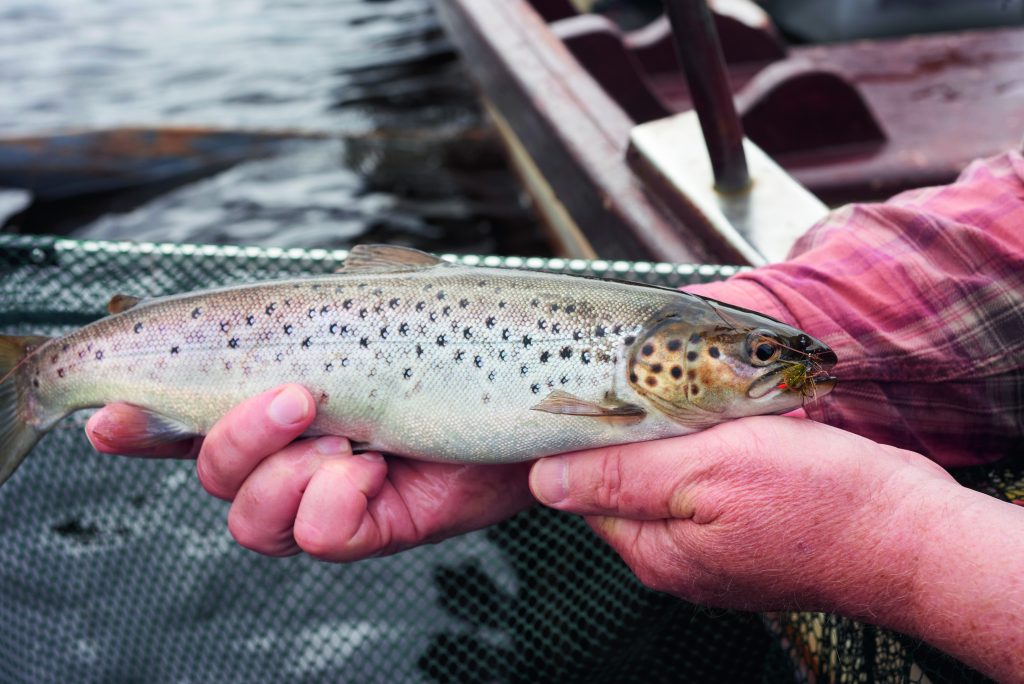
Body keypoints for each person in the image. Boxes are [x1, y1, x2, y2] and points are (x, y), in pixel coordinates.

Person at [86, 150, 1024, 682]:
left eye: (765, 361)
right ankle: (69, 377)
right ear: (663, 362)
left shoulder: (658, 373)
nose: (788, 373)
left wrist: (908, 553)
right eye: (755, 359)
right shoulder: (641, 379)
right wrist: (782, 325)